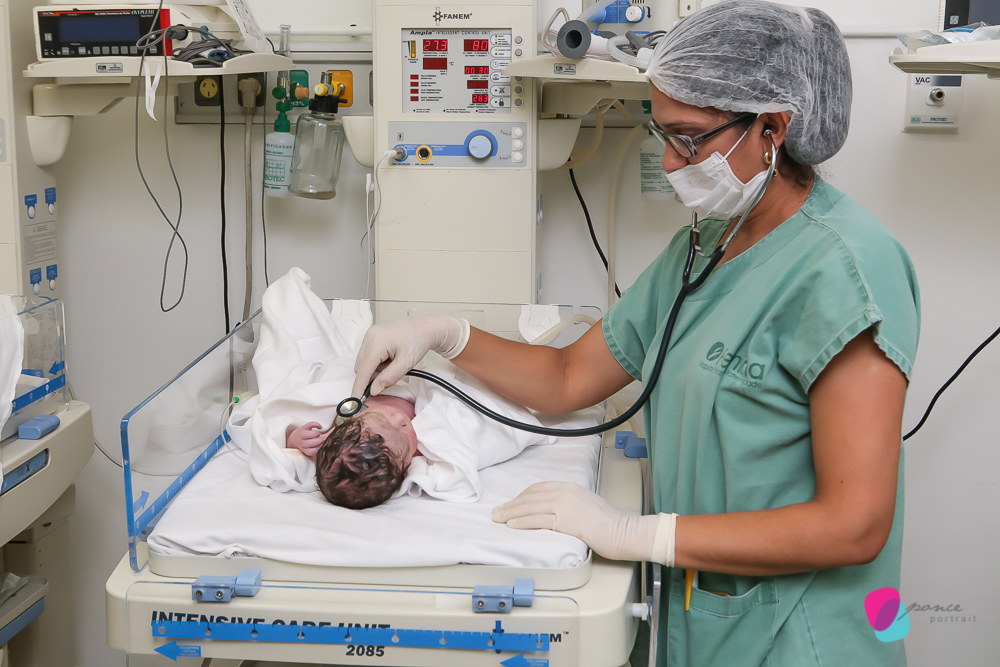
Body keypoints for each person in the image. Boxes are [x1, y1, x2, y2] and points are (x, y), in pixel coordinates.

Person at [349, 2, 919, 665]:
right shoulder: (704, 248)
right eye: (662, 133)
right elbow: (568, 378)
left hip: (805, 638)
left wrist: (635, 534)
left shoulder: (847, 270)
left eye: (690, 138)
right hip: (708, 623)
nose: (672, 162)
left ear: (771, 127)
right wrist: (443, 333)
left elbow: (855, 525)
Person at [284, 393, 420, 509]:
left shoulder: (345, 435)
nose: (399, 418)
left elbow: (289, 450)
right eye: (405, 438)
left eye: (380, 417)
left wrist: (296, 439)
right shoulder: (422, 447)